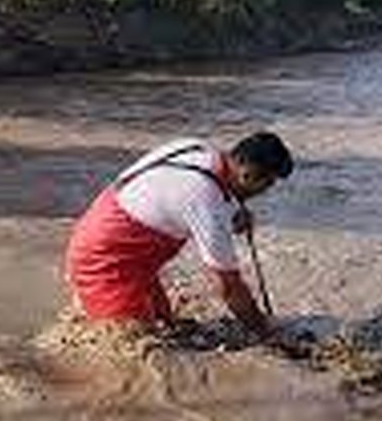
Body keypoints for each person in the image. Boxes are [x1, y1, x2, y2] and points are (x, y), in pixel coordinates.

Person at [64, 132, 293, 338]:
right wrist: (266, 332)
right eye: (266, 184)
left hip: (109, 238)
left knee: (167, 326)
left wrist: (232, 210)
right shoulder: (205, 198)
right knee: (136, 346)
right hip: (103, 261)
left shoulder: (198, 149)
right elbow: (229, 287)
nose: (264, 193)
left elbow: (174, 193)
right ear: (246, 172)